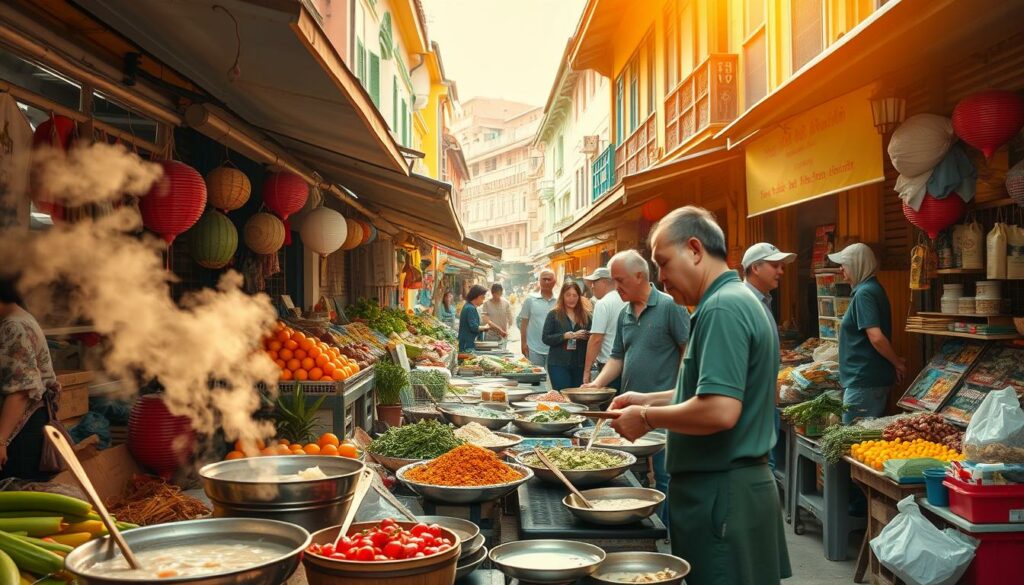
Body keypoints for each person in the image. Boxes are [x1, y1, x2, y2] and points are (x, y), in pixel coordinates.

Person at [609, 206, 791, 585]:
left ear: (694, 249)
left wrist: (646, 418)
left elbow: (719, 410)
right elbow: (706, 390)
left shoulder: (723, 308)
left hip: (723, 494)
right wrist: (646, 399)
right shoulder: (734, 300)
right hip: (728, 492)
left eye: (663, 263)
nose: (661, 278)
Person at [583, 250, 689, 521]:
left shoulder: (670, 306)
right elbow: (617, 356)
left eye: (620, 280)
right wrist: (596, 383)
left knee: (666, 476)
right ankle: (641, 522)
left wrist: (680, 392)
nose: (615, 286)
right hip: (629, 407)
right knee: (632, 471)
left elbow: (686, 352)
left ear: (640, 276)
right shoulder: (624, 313)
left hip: (664, 408)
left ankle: (664, 531)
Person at [828, 243, 905, 423]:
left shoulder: (865, 294)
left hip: (864, 381)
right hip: (866, 380)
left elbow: (876, 337)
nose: (840, 269)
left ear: (857, 265)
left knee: (854, 440)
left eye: (844, 264)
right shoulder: (869, 289)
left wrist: (897, 363)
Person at [741, 242, 796, 470]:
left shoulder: (763, 300)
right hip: (751, 408)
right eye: (775, 266)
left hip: (763, 405)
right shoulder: (743, 302)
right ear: (755, 268)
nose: (781, 271)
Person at [0, 278, 59, 481]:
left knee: (14, 500)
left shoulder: (14, 327)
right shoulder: (20, 319)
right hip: (26, 427)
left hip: (21, 433)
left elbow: (20, 391)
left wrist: (1, 442)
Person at [581, 267, 627, 388]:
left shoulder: (604, 303)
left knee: (610, 404)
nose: (592, 286)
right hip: (628, 363)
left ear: (604, 282)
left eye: (594, 282)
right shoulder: (627, 299)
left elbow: (596, 339)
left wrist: (586, 370)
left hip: (609, 365)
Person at [542, 282, 592, 390]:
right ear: (562, 296)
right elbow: (545, 338)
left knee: (577, 397)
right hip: (558, 363)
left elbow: (594, 337)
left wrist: (585, 336)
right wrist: (564, 336)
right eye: (568, 295)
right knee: (562, 396)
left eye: (575, 295)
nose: (571, 298)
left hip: (580, 364)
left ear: (579, 297)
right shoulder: (554, 314)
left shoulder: (586, 315)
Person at [517, 269, 557, 365]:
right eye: (544, 279)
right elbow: (524, 323)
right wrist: (523, 343)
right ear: (539, 281)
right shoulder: (530, 300)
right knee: (535, 377)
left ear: (555, 281)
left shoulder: (559, 301)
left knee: (552, 379)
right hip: (533, 349)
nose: (546, 282)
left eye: (549, 279)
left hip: (554, 349)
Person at [458, 285, 490, 352]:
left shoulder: (469, 306)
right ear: (477, 297)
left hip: (467, 343)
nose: (483, 301)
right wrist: (485, 327)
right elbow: (474, 327)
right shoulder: (470, 308)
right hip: (467, 345)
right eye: (482, 298)